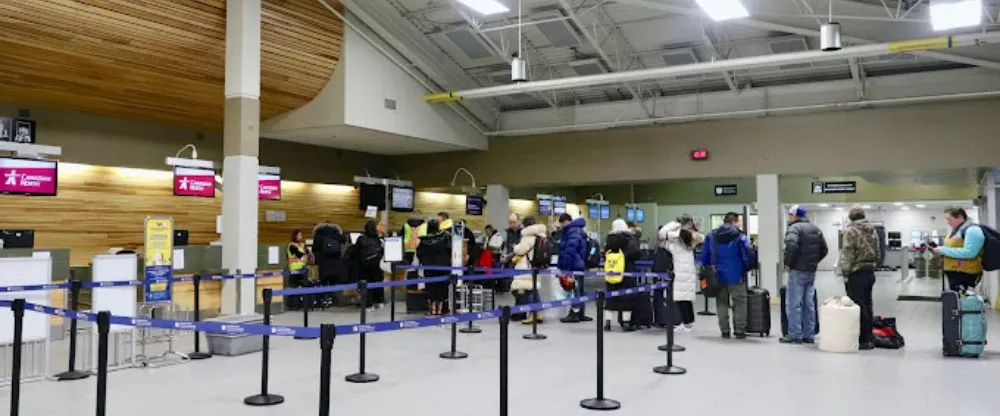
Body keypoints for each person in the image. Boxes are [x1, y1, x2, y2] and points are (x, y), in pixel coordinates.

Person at [700, 212, 754, 339]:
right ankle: (740, 330)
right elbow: (748, 254)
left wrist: (708, 270)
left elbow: (705, 256)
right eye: (738, 221)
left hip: (717, 275)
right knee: (740, 302)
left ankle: (724, 330)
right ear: (734, 222)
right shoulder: (740, 236)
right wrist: (747, 268)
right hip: (736, 274)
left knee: (721, 302)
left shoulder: (711, 236)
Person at [781, 205, 828, 344]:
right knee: (809, 303)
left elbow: (791, 246)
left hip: (797, 270)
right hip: (810, 271)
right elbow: (824, 250)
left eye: (790, 214)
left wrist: (788, 264)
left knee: (794, 303)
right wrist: (813, 262)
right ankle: (809, 334)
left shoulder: (794, 229)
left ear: (795, 215)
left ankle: (795, 334)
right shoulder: (816, 229)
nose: (789, 217)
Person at [839, 206, 879, 350]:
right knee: (868, 303)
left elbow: (847, 253)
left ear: (850, 218)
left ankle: (862, 339)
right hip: (869, 270)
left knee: (857, 304)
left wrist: (845, 273)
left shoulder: (851, 231)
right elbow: (877, 250)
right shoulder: (872, 229)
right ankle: (869, 336)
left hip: (856, 271)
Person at [604, 219, 647, 331]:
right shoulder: (629, 238)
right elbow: (636, 254)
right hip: (626, 271)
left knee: (611, 298)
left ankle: (608, 323)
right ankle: (626, 323)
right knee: (627, 297)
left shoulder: (609, 239)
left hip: (611, 272)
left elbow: (604, 253)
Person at [933, 207, 985, 292]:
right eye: (947, 219)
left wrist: (943, 250)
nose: (948, 222)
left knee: (966, 302)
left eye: (950, 219)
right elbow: (953, 248)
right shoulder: (956, 231)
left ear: (960, 217)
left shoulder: (972, 230)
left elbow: (969, 253)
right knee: (956, 301)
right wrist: (940, 251)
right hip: (955, 273)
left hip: (966, 274)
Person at [660, 215, 698, 331]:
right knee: (686, 300)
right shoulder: (690, 237)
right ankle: (688, 323)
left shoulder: (679, 236)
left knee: (682, 300)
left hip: (681, 273)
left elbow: (662, 233)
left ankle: (687, 323)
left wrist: (674, 224)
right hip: (687, 272)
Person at [510, 217, 547, 325]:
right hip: (536, 265)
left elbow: (520, 249)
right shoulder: (541, 235)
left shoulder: (528, 236)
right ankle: (539, 313)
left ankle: (533, 314)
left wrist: (515, 247)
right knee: (534, 289)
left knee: (529, 291)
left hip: (526, 266)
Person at [557, 213, 591, 323]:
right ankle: (581, 313)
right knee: (580, 289)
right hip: (579, 265)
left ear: (565, 222)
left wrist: (565, 269)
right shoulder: (579, 230)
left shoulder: (572, 232)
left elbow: (569, 251)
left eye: (561, 223)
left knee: (574, 290)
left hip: (573, 265)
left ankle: (575, 314)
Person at [417, 219, 450, 315]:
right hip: (443, 267)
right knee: (441, 287)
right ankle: (440, 310)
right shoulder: (445, 237)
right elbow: (449, 250)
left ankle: (432, 310)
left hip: (429, 267)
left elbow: (419, 254)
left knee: (430, 288)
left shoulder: (423, 240)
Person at [353, 220, 385, 309]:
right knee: (378, 283)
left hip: (364, 266)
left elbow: (356, 252)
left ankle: (368, 305)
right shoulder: (378, 239)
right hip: (376, 265)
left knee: (366, 285)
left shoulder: (361, 238)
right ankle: (379, 301)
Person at [401, 213, 426, 282]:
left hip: (408, 250)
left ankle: (410, 285)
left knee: (409, 269)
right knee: (421, 269)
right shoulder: (425, 226)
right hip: (420, 250)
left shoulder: (406, 225)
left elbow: (401, 237)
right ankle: (420, 285)